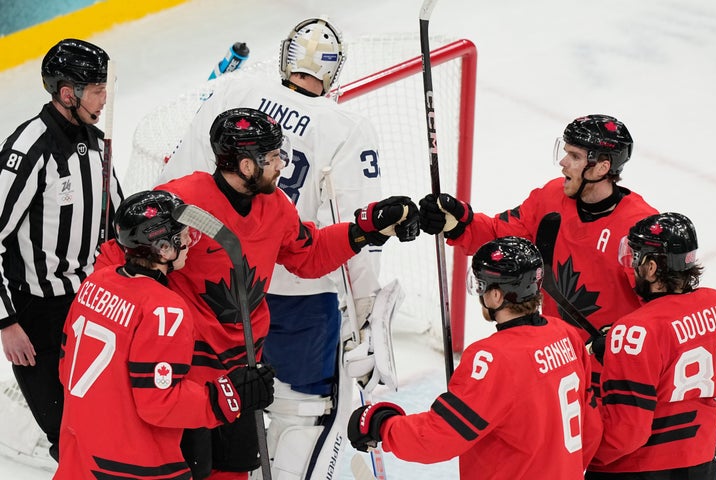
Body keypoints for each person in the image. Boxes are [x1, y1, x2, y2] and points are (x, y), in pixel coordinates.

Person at [97, 107, 418, 480]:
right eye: (272, 156)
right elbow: (119, 262)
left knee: (235, 469)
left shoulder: (276, 206)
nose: (282, 163)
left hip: (241, 367)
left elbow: (308, 254)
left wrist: (369, 227)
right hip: (187, 371)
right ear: (247, 165)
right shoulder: (181, 202)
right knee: (189, 471)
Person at [158, 17, 387, 480]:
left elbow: (171, 186)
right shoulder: (347, 126)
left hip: (213, 290)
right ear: (332, 69)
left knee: (211, 406)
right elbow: (357, 227)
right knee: (300, 419)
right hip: (305, 297)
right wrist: (363, 312)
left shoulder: (234, 94)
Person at [418, 114, 658, 390]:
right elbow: (500, 235)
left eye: (574, 156)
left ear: (602, 167)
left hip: (612, 375)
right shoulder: (551, 198)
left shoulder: (639, 228)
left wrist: (619, 338)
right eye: (564, 152)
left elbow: (663, 308)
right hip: (557, 361)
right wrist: (461, 223)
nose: (563, 162)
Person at [54, 190, 275, 480]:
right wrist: (228, 396)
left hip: (80, 452)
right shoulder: (165, 309)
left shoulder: (96, 282)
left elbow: (64, 366)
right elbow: (159, 404)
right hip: (133, 466)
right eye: (181, 236)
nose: (188, 242)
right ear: (163, 248)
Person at [347, 236, 602, 479]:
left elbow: (438, 438)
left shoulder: (493, 358)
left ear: (496, 296)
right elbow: (590, 428)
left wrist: (383, 425)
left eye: (481, 285)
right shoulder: (566, 335)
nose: (479, 292)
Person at [0, 38, 123, 461]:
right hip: (36, 317)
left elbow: (117, 219)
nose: (104, 99)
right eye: (97, 90)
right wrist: (6, 324)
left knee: (103, 426)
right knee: (69, 438)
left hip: (90, 306)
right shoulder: (30, 148)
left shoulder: (97, 141)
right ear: (67, 93)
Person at [585, 212, 716, 479]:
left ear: (652, 267)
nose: (632, 266)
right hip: (701, 462)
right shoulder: (715, 305)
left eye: (636, 258)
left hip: (638, 469)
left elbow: (625, 434)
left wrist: (581, 458)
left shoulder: (636, 330)